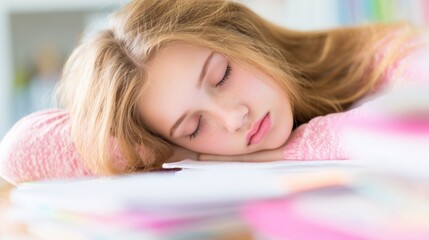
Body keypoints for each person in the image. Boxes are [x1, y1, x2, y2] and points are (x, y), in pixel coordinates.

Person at [1, 0, 428, 185]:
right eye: (194, 125)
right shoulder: (176, 147)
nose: (234, 117)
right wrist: (167, 152)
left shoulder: (381, 56)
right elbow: (16, 153)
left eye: (222, 75)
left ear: (243, 35)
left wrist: (285, 150)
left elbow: (417, 119)